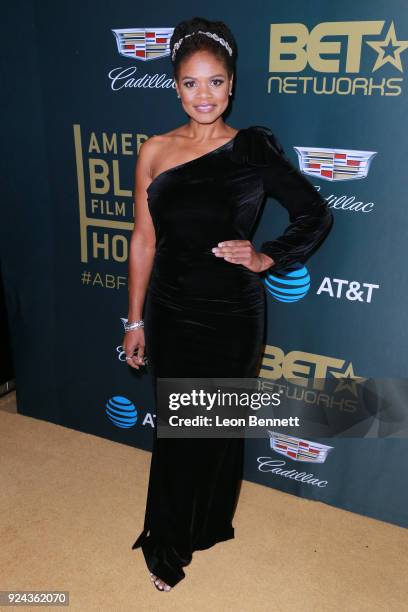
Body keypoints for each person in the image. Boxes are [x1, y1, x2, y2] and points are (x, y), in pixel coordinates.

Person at [123, 16, 334, 592]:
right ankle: (167, 542)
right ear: (175, 86)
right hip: (170, 309)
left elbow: (314, 212)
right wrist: (135, 319)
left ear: (233, 84)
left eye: (215, 82)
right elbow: (144, 239)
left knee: (213, 428)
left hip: (232, 315)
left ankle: (206, 524)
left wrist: (268, 256)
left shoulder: (252, 149)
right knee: (177, 429)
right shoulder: (155, 151)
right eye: (191, 83)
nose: (204, 95)